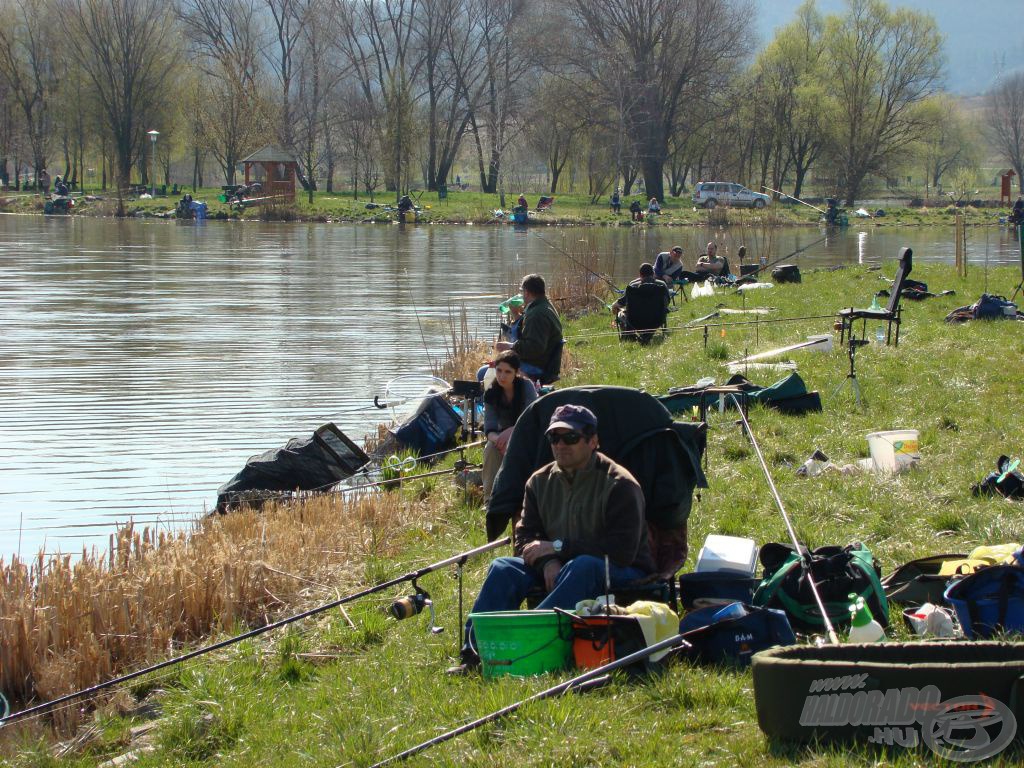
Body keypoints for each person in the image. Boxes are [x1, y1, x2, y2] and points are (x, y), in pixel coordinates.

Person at [453, 404, 653, 672]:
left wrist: (559, 548)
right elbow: (524, 537)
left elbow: (621, 550)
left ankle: (528, 643)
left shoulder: (619, 484)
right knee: (503, 567)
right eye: (554, 438)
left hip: (623, 569)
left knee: (582, 566)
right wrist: (547, 560)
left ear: (593, 441)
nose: (561, 445)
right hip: (561, 566)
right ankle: (474, 652)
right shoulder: (538, 481)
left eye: (571, 438)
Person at [481, 350, 538, 503]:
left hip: (527, 435)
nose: (502, 376)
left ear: (516, 373)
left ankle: (528, 496)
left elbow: (531, 417)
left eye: (508, 372)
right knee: (490, 449)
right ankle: (490, 500)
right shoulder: (491, 392)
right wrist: (498, 440)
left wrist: (511, 432)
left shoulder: (526, 387)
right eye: (499, 371)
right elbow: (489, 427)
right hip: (502, 440)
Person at [496, 274, 562, 381]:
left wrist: (510, 346)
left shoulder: (537, 314)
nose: (522, 295)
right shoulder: (544, 306)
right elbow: (530, 332)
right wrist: (516, 314)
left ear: (526, 292)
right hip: (542, 362)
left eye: (523, 292)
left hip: (537, 367)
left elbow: (534, 348)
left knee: (485, 373)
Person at [611, 263, 670, 343]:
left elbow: (619, 303)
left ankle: (630, 337)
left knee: (620, 313)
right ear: (653, 274)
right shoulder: (662, 285)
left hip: (635, 321)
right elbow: (667, 302)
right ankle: (645, 337)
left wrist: (614, 307)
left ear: (640, 275)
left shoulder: (632, 287)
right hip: (657, 321)